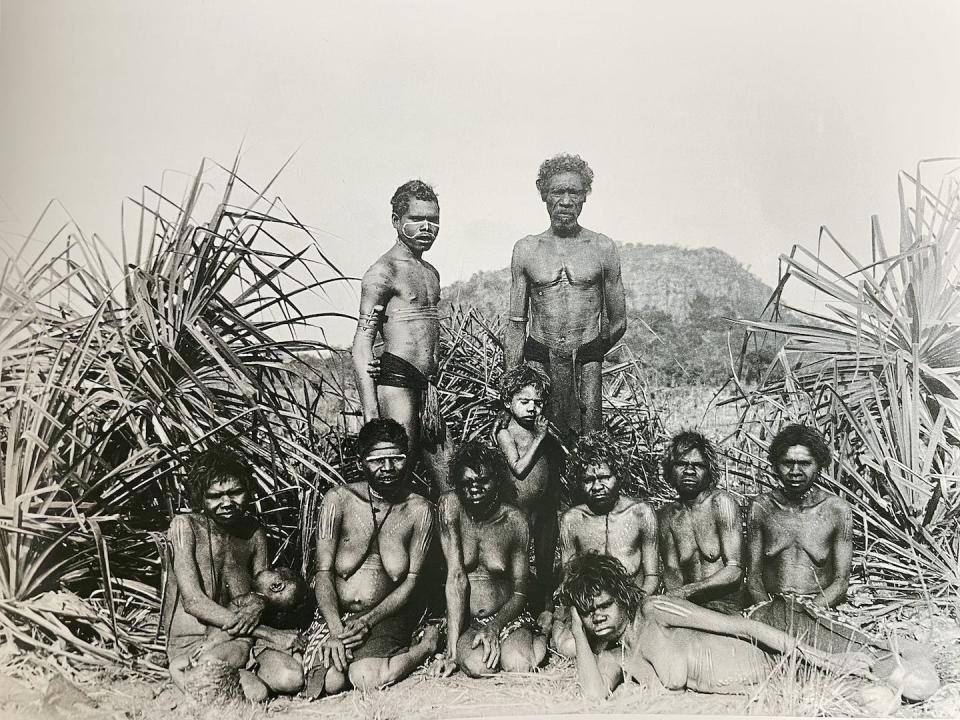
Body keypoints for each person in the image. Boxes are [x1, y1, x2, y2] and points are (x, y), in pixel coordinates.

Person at [561, 554, 939, 702]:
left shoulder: (653, 610)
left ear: (623, 597)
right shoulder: (614, 657)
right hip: (778, 683)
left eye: (604, 605)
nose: (597, 617)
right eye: (588, 612)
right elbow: (594, 699)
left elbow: (746, 630)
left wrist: (826, 660)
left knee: (907, 677)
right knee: (880, 699)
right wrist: (577, 631)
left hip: (777, 637)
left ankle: (914, 652)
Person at [302, 419, 438, 696]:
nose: (387, 468)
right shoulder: (337, 500)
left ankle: (426, 646)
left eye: (396, 459)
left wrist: (368, 621)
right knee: (331, 682)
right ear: (361, 461)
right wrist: (336, 630)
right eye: (377, 460)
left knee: (364, 678)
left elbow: (411, 583)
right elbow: (323, 573)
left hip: (389, 613)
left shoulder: (419, 510)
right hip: (337, 615)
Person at [163, 446, 303, 701]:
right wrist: (269, 634)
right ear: (200, 497)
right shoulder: (184, 528)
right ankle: (190, 674)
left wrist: (259, 603)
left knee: (291, 678)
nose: (227, 503)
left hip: (244, 639)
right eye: (216, 496)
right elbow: (193, 602)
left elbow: (264, 586)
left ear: (247, 491)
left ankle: (214, 679)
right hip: (196, 643)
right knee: (256, 693)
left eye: (235, 493)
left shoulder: (253, 532)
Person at [505, 153, 627, 441]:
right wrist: (512, 383)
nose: (566, 201)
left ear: (585, 196)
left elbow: (619, 321)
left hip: (586, 361)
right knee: (539, 442)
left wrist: (589, 353)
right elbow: (515, 324)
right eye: (558, 192)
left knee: (589, 443)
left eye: (575, 192)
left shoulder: (602, 247)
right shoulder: (527, 249)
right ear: (544, 194)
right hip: (539, 358)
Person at [351, 179, 449, 494]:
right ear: (396, 221)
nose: (426, 227)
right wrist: (371, 419)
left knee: (448, 481)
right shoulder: (382, 273)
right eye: (416, 219)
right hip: (396, 382)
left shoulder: (431, 273)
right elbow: (361, 346)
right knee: (394, 475)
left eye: (433, 220)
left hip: (429, 388)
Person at [432, 441, 547, 678]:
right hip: (470, 621)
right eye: (467, 483)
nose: (475, 489)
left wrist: (495, 626)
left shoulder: (515, 522)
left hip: (508, 617)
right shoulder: (450, 507)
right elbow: (455, 577)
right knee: (478, 667)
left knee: (517, 664)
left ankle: (540, 634)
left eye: (483, 481)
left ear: (497, 481)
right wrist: (452, 652)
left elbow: (519, 593)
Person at [545, 431, 658, 656]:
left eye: (604, 477)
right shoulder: (572, 520)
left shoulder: (640, 514)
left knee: (645, 643)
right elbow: (569, 576)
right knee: (568, 647)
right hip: (590, 609)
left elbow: (653, 576)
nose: (597, 486)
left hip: (630, 604)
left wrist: (633, 608)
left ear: (619, 475)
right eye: (588, 480)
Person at [746, 424, 851, 609]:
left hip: (819, 607)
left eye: (804, 463)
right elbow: (753, 577)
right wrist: (768, 611)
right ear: (776, 465)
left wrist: (809, 611)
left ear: (818, 465)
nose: (795, 472)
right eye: (788, 463)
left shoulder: (836, 510)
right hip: (770, 604)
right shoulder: (761, 507)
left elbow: (841, 582)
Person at [169, 568, 307, 695]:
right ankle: (198, 692)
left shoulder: (255, 603)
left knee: (259, 691)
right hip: (222, 650)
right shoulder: (247, 601)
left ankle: (202, 691)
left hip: (239, 651)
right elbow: (193, 603)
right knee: (202, 662)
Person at [494, 363, 562, 609]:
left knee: (545, 557)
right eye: (525, 401)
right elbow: (519, 468)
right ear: (507, 402)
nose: (533, 408)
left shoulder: (539, 428)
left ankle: (545, 604)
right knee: (518, 558)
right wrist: (540, 439)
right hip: (518, 508)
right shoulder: (505, 433)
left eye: (538, 402)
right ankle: (515, 604)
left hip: (543, 508)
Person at [658, 431, 744, 613]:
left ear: (709, 471)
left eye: (698, 465)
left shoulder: (721, 503)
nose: (689, 471)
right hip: (692, 608)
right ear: (670, 469)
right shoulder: (667, 515)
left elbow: (734, 570)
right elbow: (672, 571)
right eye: (681, 464)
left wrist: (689, 590)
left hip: (728, 606)